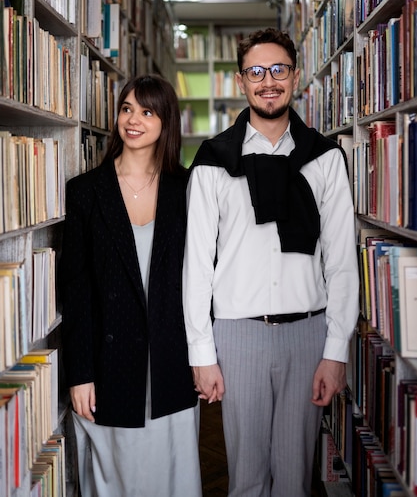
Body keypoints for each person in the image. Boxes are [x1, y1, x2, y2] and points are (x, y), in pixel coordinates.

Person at [182, 28, 359, 497]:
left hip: (308, 334)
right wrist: (201, 354)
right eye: (256, 72)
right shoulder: (213, 161)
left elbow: (341, 261)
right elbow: (196, 264)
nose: (268, 81)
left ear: (295, 77)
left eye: (278, 69)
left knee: (296, 479)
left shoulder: (325, 159)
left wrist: (336, 350)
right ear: (241, 81)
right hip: (237, 334)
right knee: (245, 477)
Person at [59, 74, 202, 497]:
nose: (133, 119)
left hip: (172, 362)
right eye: (126, 109)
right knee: (117, 475)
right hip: (109, 364)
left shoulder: (187, 189)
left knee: (173, 473)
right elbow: (77, 290)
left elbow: (201, 280)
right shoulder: (85, 192)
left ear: (165, 121)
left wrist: (204, 356)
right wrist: (80, 373)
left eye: (146, 111)